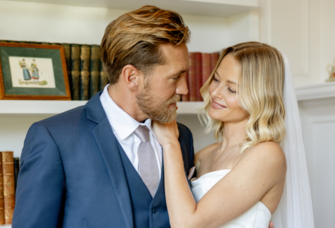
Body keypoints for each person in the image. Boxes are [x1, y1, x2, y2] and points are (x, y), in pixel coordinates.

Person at [12, 5, 194, 228]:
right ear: (131, 77)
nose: (184, 89)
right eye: (175, 77)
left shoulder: (182, 138)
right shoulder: (54, 139)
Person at [153, 42, 314, 228]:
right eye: (216, 79)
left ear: (259, 98)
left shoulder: (267, 155)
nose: (215, 92)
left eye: (231, 89)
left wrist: (169, 142)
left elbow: (187, 224)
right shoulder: (204, 155)